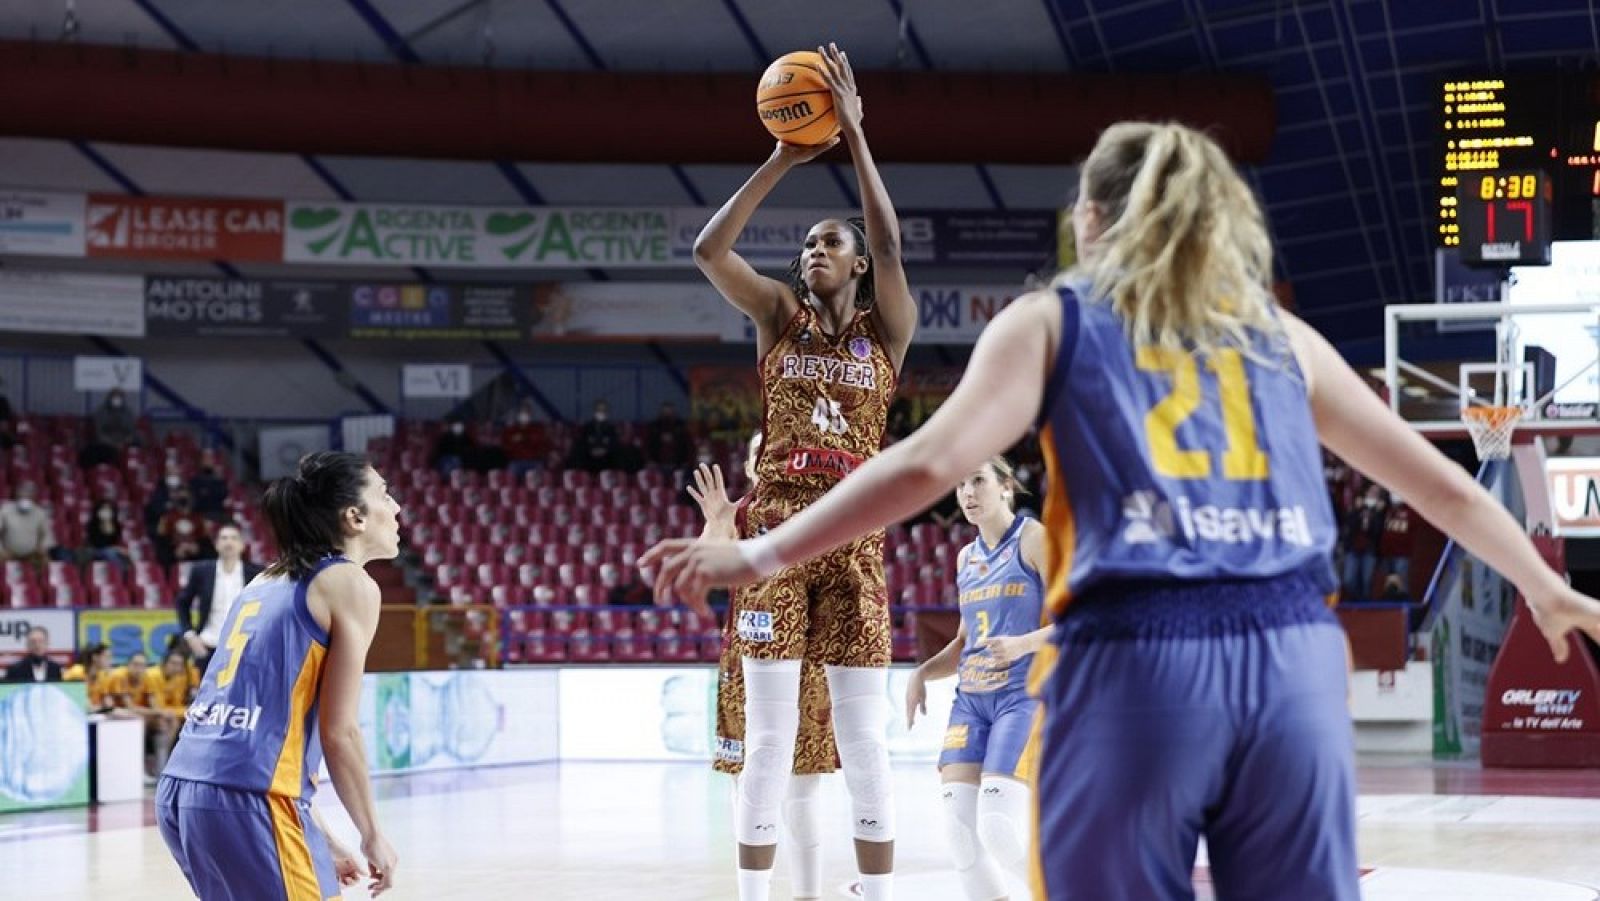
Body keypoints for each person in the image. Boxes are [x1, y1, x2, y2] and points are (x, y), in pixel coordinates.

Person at [645, 120, 1600, 900]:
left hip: (1142, 663)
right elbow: (1435, 481)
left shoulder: (1054, 319)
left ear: (1090, 219)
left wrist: (760, 553)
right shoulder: (1282, 334)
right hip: (1295, 671)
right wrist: (1540, 584)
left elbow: (927, 461)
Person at [687, 43, 917, 901]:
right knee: (772, 738)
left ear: (856, 266)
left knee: (865, 743)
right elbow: (713, 251)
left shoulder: (884, 330)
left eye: (831, 243)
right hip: (777, 532)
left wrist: (854, 134)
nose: (814, 250)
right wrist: (783, 157)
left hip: (856, 535)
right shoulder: (779, 317)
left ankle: (876, 895)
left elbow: (891, 243)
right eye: (809, 244)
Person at [159, 451, 401, 899]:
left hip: (185, 788)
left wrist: (319, 833)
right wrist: (371, 832)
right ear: (355, 518)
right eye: (385, 495)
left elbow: (265, 726)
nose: (397, 507)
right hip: (249, 798)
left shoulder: (266, 579)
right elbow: (339, 731)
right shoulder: (350, 584)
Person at [688, 436, 842, 901]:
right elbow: (699, 574)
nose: (769, 459)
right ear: (754, 466)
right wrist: (716, 525)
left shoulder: (820, 512)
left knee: (802, 791)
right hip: (744, 658)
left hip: (807, 660)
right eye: (760, 452)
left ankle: (808, 894)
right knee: (746, 785)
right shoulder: (737, 516)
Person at [904, 457, 1047, 900]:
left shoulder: (1034, 538)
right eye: (960, 483)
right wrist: (924, 672)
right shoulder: (966, 557)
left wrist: (1024, 644)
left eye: (978, 481)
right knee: (961, 835)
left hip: (1021, 696)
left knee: (999, 828)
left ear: (1006, 486)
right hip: (971, 701)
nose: (967, 492)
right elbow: (968, 641)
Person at [174, 523, 264, 674]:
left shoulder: (255, 573)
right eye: (224, 538)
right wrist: (190, 635)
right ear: (216, 545)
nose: (229, 542)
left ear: (242, 545)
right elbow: (182, 602)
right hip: (208, 645)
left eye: (234, 538)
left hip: (243, 648)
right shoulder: (202, 571)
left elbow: (265, 610)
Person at [0, 482, 55, 567]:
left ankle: (41, 580)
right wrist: (1, 550)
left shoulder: (40, 513)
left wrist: (42, 548)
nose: (25, 498)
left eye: (28, 496)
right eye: (22, 495)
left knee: (45, 561)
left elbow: (47, 535)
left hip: (32, 554)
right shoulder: (5, 510)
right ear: (17, 495)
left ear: (34, 497)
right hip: (8, 552)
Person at [569, 401, 620, 473]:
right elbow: (583, 443)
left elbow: (614, 444)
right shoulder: (587, 427)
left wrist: (605, 451)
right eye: (599, 410)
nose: (601, 412)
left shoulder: (611, 428)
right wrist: (591, 451)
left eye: (603, 410)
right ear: (595, 411)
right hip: (590, 462)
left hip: (606, 462)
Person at [645, 402, 694, 469]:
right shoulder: (654, 427)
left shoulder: (681, 426)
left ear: (674, 413)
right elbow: (647, 445)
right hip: (657, 463)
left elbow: (689, 445)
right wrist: (650, 461)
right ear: (661, 413)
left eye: (669, 412)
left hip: (679, 463)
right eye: (665, 412)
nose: (667, 415)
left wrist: (687, 461)